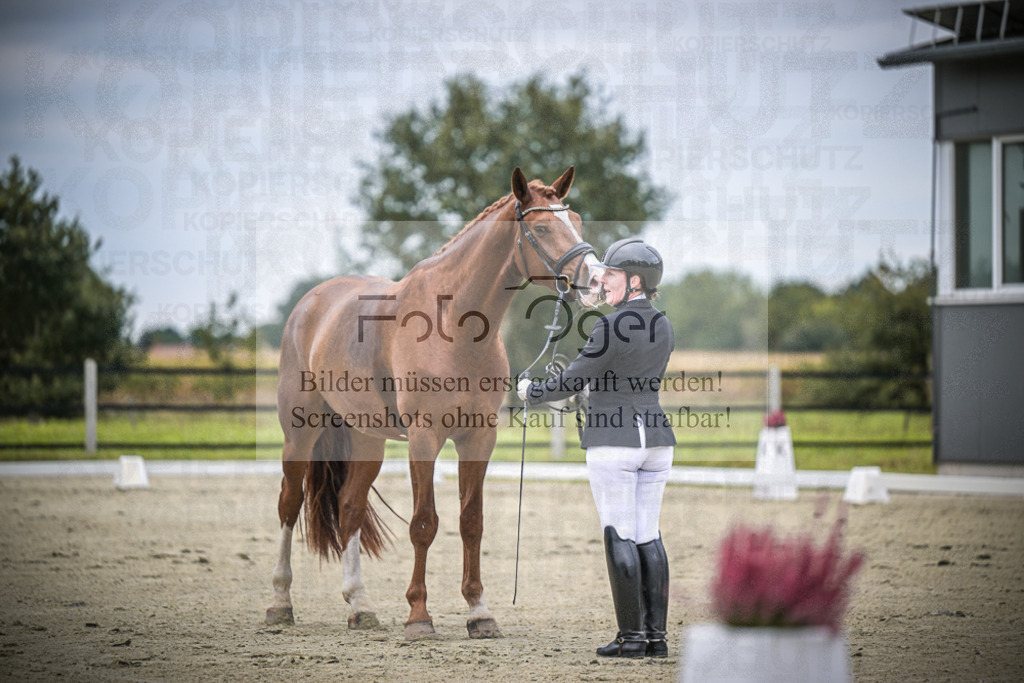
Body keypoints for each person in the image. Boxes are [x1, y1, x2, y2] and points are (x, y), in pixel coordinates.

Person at [518, 238, 675, 658]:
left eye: (612, 275)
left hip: (615, 441)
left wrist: (531, 391)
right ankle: (655, 638)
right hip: (656, 441)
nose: (603, 281)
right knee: (648, 535)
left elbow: (570, 380)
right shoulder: (663, 324)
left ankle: (630, 637)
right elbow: (626, 372)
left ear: (635, 281)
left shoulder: (607, 326)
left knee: (618, 533)